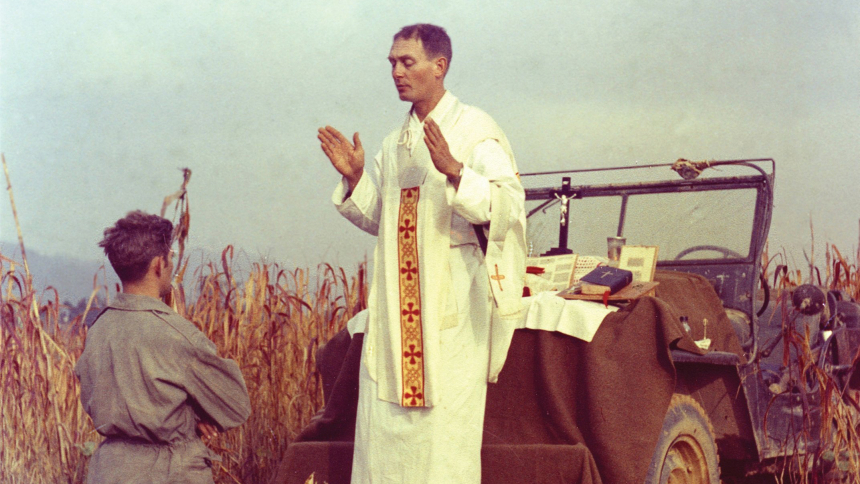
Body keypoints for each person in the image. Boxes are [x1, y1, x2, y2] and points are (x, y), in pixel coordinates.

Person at [318, 24, 526, 484]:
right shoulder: (395, 145)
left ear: (440, 66)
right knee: (384, 439)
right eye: (391, 62)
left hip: (448, 309)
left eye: (406, 62)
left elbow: (509, 208)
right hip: (395, 313)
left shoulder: (476, 130)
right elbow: (383, 222)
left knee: (442, 442)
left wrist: (456, 173)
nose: (396, 71)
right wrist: (356, 180)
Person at [75, 211, 251, 484]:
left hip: (107, 471)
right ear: (160, 263)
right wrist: (192, 418)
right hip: (169, 472)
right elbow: (235, 405)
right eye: (171, 256)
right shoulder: (176, 335)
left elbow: (95, 399)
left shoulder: (98, 330)